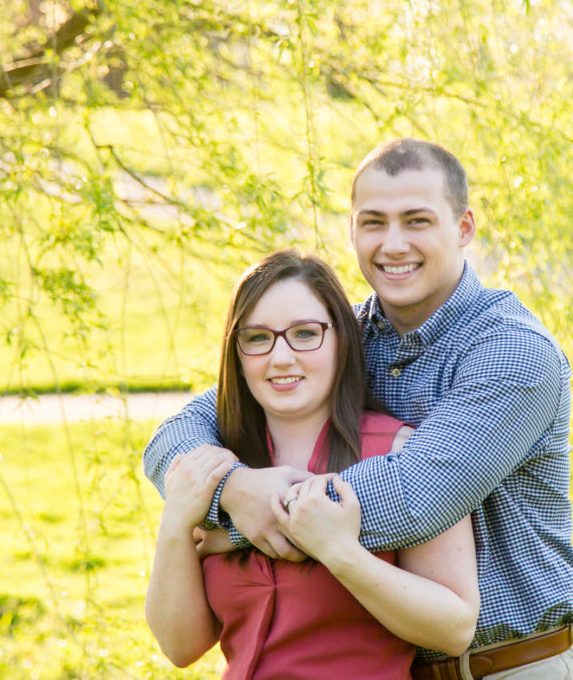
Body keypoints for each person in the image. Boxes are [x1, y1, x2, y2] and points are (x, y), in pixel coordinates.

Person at [144, 138, 573, 679]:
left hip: (506, 665)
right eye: (374, 222)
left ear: (465, 228)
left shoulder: (513, 354)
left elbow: (416, 496)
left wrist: (233, 531)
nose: (393, 244)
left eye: (417, 221)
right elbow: (177, 434)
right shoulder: (337, 336)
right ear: (352, 230)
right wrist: (233, 489)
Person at [144, 250, 480, 678]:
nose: (281, 357)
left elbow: (454, 628)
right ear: (237, 352)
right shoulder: (220, 466)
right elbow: (181, 646)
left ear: (341, 338)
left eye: (305, 334)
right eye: (257, 337)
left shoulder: (403, 454)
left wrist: (338, 551)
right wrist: (175, 523)